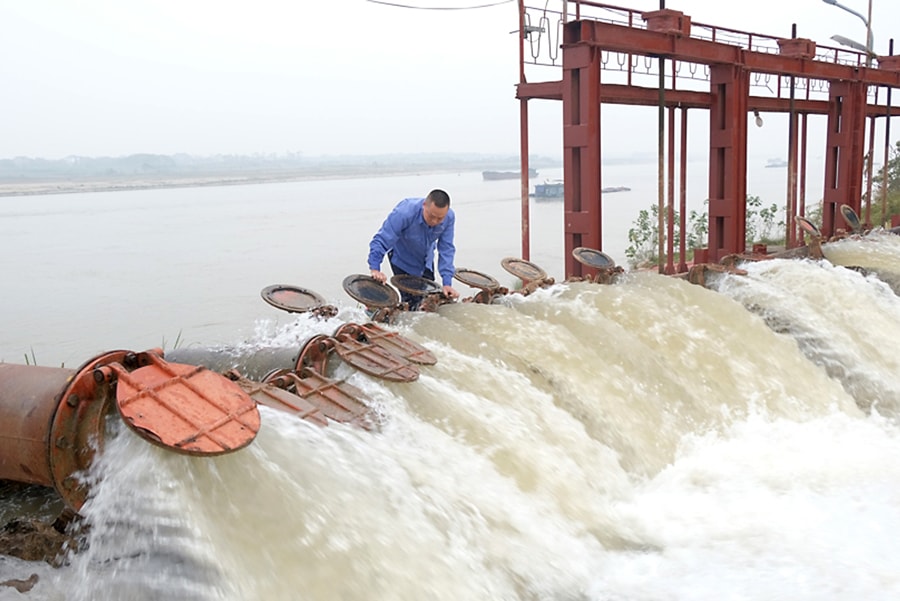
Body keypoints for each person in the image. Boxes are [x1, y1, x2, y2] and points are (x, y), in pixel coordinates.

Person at [368, 189, 459, 308]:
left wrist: (447, 283)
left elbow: (446, 249)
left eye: (439, 219)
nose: (434, 221)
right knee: (411, 303)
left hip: (426, 261)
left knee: (428, 302)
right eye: (431, 216)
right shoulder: (404, 212)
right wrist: (375, 269)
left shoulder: (449, 217)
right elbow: (382, 239)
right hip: (402, 260)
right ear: (424, 205)